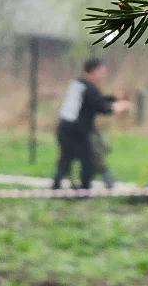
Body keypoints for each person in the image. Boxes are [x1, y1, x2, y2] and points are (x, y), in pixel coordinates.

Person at [52, 58, 131, 190]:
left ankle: (56, 187)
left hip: (64, 128)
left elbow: (95, 100)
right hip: (77, 132)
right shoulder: (90, 88)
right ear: (94, 71)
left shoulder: (78, 84)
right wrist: (118, 107)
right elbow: (100, 107)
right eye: (102, 72)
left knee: (66, 159)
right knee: (88, 161)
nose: (103, 76)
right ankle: (84, 190)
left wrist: (114, 98)